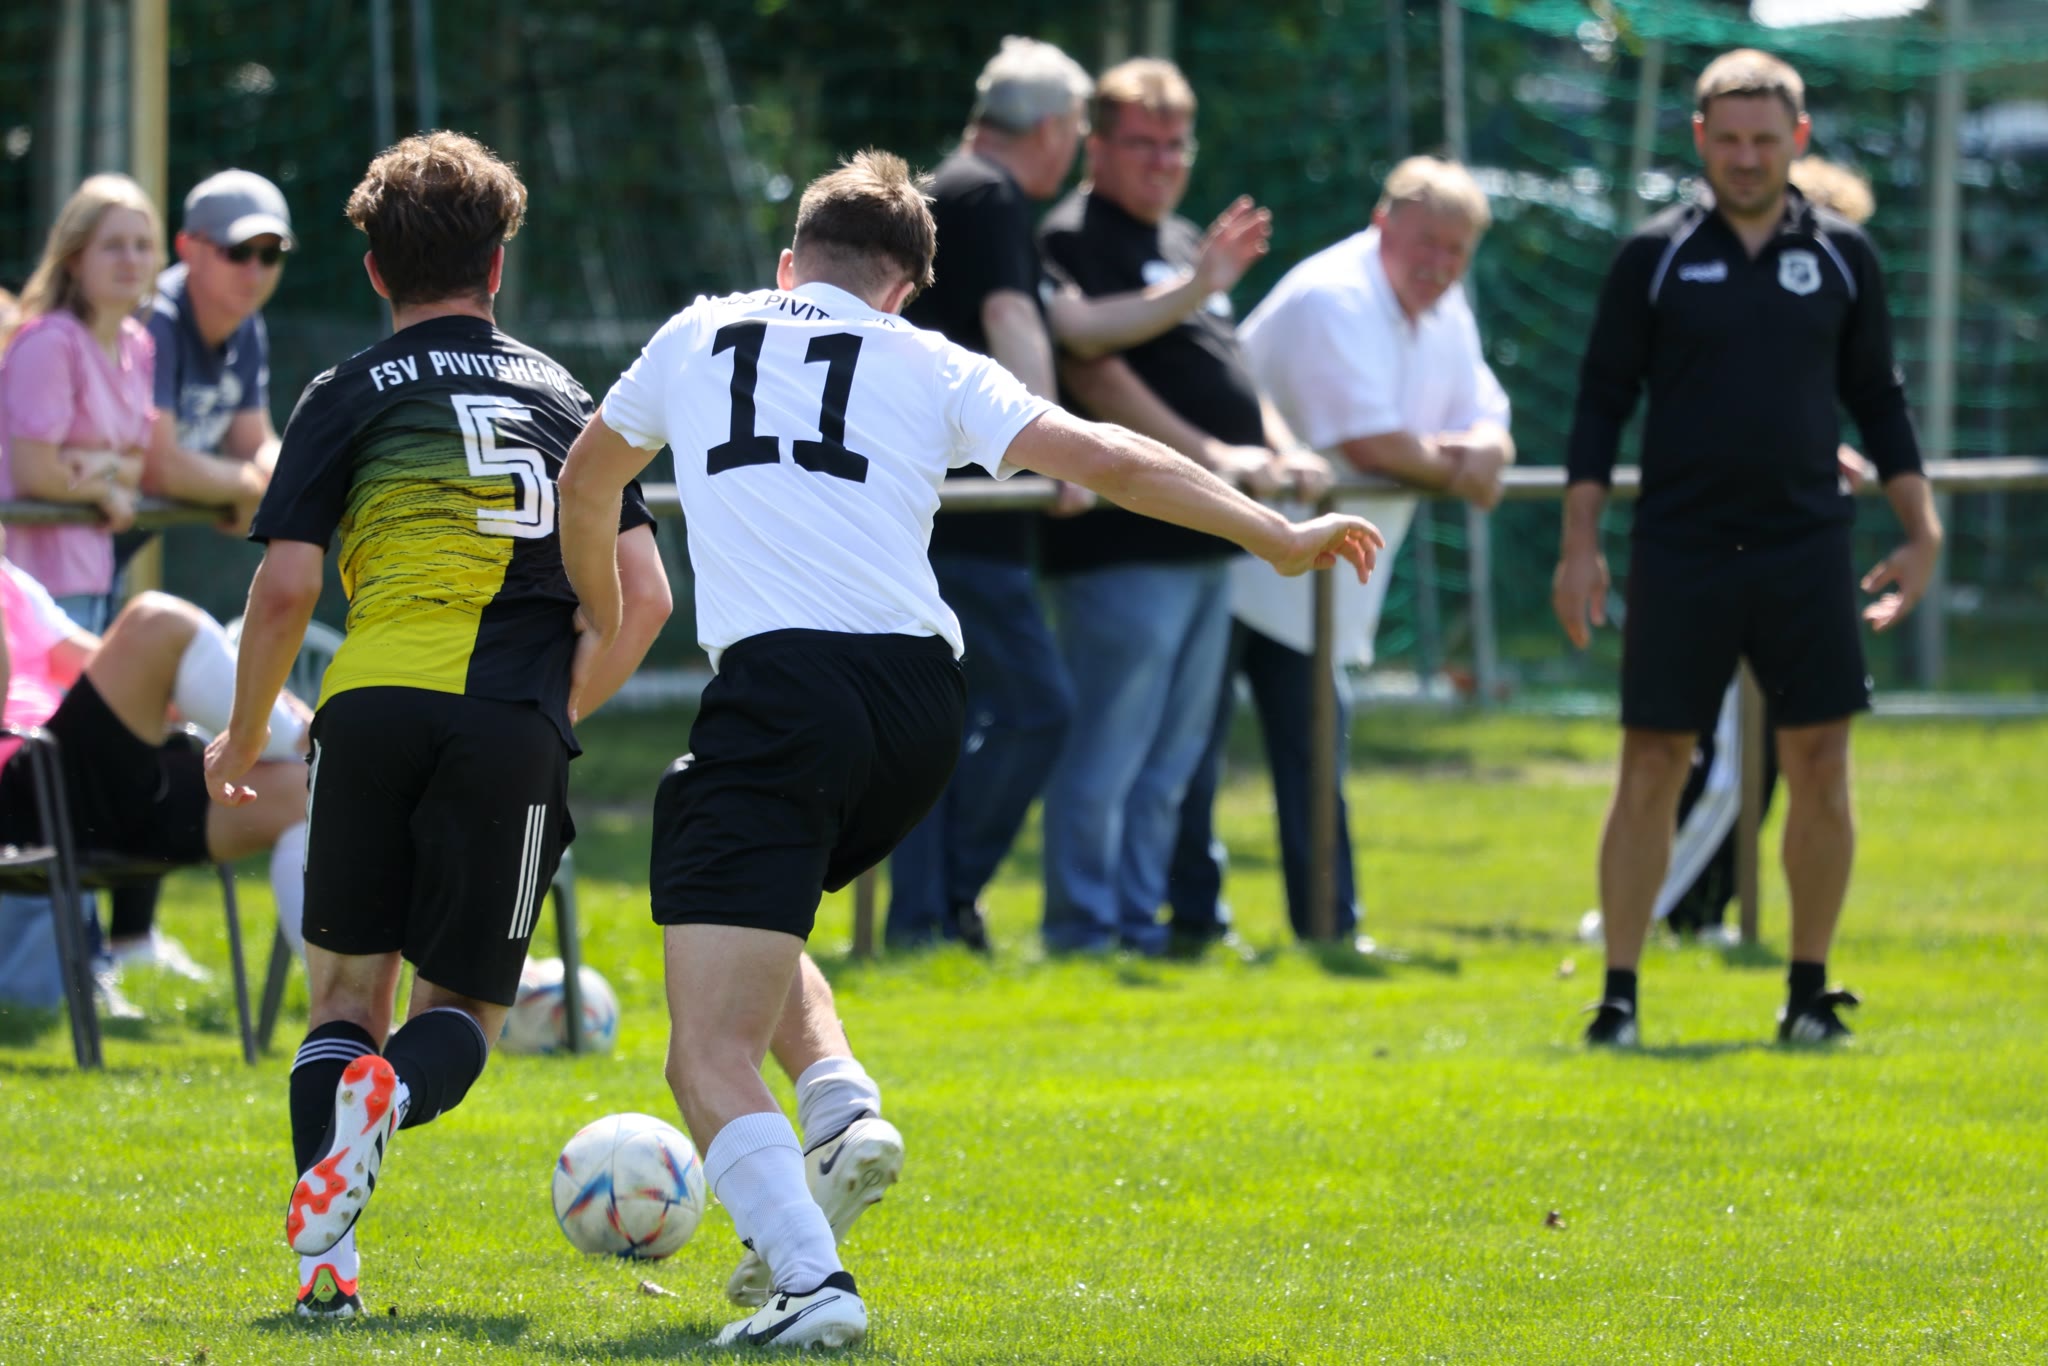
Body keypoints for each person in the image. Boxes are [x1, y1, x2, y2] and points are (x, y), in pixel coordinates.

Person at [554, 150, 1379, 1350]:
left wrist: (601, 611)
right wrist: (1273, 532)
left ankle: (810, 1283)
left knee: (706, 1052)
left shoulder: (697, 332)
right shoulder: (929, 357)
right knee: (747, 908)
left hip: (783, 692)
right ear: (900, 290)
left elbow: (587, 481)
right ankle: (837, 1107)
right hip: (920, 706)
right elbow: (1106, 454)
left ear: (788, 263)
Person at [200, 132, 670, 1320]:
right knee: (455, 1014)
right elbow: (647, 598)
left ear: (373, 269)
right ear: (497, 264)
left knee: (340, 1002)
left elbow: (287, 586)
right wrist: (554, 713)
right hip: (508, 721)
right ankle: (394, 1098)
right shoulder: (569, 401)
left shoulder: (342, 392)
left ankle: (325, 1274)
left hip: (367, 710)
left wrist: (243, 733)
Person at [1554, 50, 1941, 1047]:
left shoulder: (1844, 257)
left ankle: (1807, 992)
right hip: (1681, 547)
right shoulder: (1653, 257)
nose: (1744, 156)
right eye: (1725, 138)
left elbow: (1878, 398)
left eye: (1764, 138)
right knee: (1651, 760)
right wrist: (1578, 544)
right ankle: (1618, 997)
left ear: (1797, 138)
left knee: (1819, 761)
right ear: (1698, 138)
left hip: (1806, 546)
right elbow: (1599, 402)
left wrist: (1920, 526)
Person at [887, 37, 1275, 951]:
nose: (1163, 162)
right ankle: (958, 911)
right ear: (1065, 131)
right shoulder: (991, 194)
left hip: (955, 509)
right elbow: (1025, 323)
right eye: (1136, 141)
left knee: (971, 719)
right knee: (1039, 712)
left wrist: (1199, 286)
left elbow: (1062, 320)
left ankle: (940, 916)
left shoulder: (969, 193)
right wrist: (1052, 453)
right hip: (968, 514)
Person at [1175, 156, 1513, 950]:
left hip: (1313, 572)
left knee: (1315, 750)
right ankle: (1189, 923)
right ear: (1382, 221)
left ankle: (1328, 928)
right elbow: (1370, 442)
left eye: (1457, 250)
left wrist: (1484, 449)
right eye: (1427, 242)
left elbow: (1487, 418)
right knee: (1187, 752)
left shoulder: (1445, 305)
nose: (1440, 265)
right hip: (1227, 554)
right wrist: (1461, 467)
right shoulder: (1334, 294)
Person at [1036, 57, 1325, 957]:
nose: (1163, 162)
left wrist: (1278, 445)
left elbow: (1230, 368)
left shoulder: (1184, 238)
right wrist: (1212, 457)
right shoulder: (1072, 237)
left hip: (1206, 540)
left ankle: (1139, 921)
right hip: (1122, 544)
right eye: (1142, 144)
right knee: (1109, 750)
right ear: (1096, 146)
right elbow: (1091, 370)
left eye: (1176, 144)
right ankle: (1083, 930)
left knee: (1174, 758)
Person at [1576, 154, 1881, 949]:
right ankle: (1654, 914)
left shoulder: (1829, 272)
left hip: (1791, 561)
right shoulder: (1674, 259)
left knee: (1786, 759)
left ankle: (1701, 910)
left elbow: (1786, 391)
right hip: (1700, 558)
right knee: (1705, 761)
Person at [0, 174, 180, 991]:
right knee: (46, 787)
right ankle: (44, 977)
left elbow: (140, 466)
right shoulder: (47, 343)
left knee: (87, 783)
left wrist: (98, 472)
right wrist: (97, 477)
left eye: (142, 244)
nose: (131, 260)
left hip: (91, 586)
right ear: (74, 255)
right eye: (113, 244)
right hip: (33, 596)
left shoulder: (137, 343)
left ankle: (82, 965)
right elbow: (35, 468)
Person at [0, 548, 311, 1012]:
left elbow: (102, 664)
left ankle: (343, 1019)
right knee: (155, 621)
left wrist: (261, 697)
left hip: (96, 798)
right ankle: (309, 739)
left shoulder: (13, 582)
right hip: (21, 803)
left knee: (305, 790)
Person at [139, 169, 295, 539]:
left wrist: (289, 478)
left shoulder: (246, 323)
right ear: (187, 248)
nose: (254, 273)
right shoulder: (153, 321)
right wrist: (252, 486)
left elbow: (252, 444)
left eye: (270, 254)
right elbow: (158, 467)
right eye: (236, 252)